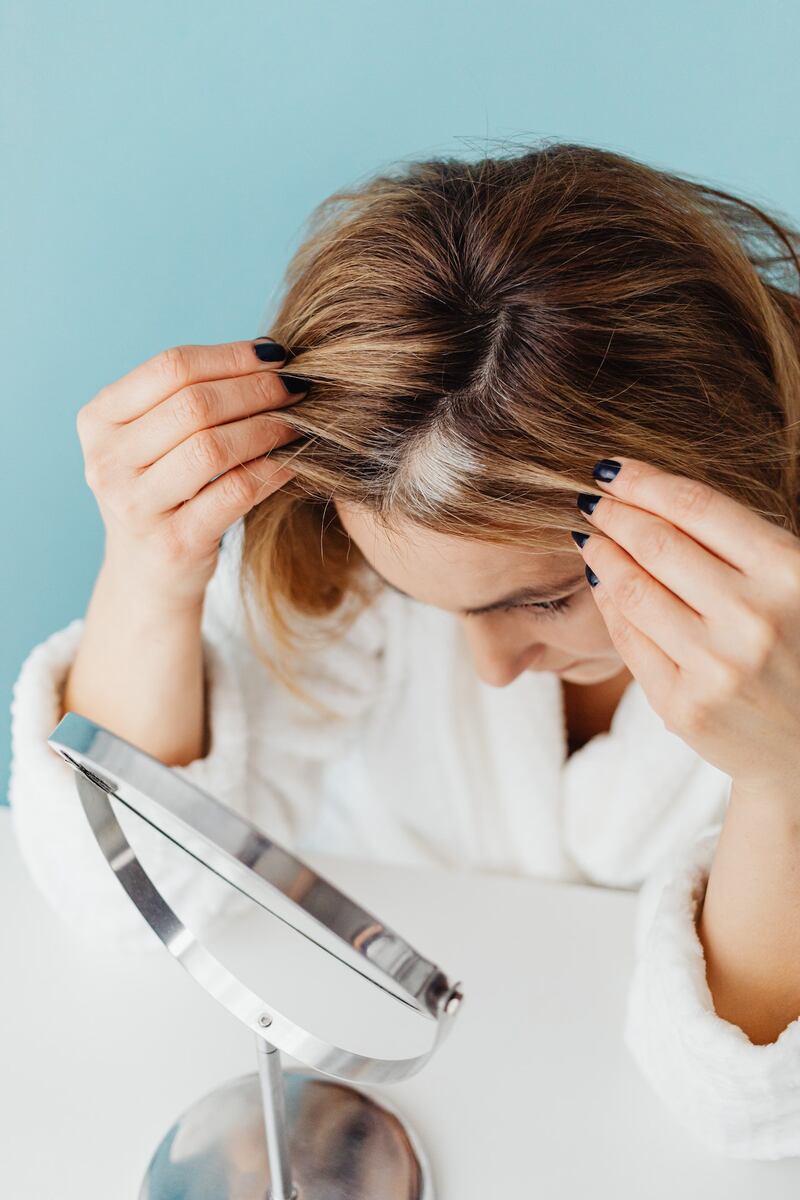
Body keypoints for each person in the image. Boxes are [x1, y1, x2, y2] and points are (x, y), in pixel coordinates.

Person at [8, 140, 800, 1161]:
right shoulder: (343, 568)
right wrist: (149, 569)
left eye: (547, 601)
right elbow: (118, 898)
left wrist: (781, 777)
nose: (488, 670)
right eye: (424, 602)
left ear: (717, 486)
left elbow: (746, 1109)